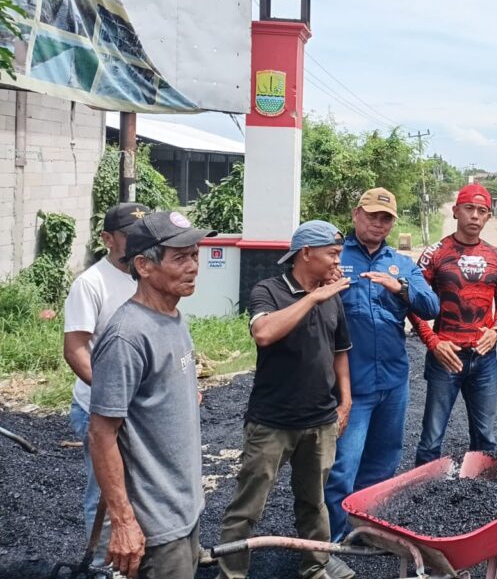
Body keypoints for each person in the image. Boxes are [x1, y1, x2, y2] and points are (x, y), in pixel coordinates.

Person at [217, 221, 354, 579]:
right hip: (272, 422)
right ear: (305, 253)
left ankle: (315, 567)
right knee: (248, 506)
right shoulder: (270, 290)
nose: (337, 261)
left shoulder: (332, 295)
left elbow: (340, 352)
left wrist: (345, 401)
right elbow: (263, 333)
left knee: (313, 503)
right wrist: (312, 298)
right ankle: (231, 573)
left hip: (320, 421)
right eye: (332, 253)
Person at [88, 211, 214, 579]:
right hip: (156, 523)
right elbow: (101, 434)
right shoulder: (127, 336)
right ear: (143, 265)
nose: (193, 267)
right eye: (180, 258)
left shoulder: (174, 317)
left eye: (195, 254)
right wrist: (124, 522)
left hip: (183, 509)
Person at [324, 188, 439, 541]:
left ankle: (370, 529)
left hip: (392, 381)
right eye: (372, 215)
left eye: (386, 218)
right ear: (357, 214)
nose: (378, 222)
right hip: (350, 384)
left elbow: (431, 307)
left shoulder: (402, 264)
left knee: (384, 459)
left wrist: (401, 287)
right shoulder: (335, 257)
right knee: (343, 465)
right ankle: (336, 539)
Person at [63, 202, 150, 563]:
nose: (136, 243)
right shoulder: (91, 283)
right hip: (101, 408)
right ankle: (101, 566)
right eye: (129, 236)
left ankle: (138, 561)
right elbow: (76, 349)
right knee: (105, 495)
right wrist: (111, 396)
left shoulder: (147, 274)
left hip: (143, 411)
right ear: (108, 239)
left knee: (142, 491)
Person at [410, 183, 497, 466]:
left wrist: (496, 331)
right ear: (456, 211)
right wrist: (434, 342)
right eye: (469, 209)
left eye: (482, 211)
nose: (475, 216)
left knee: (486, 437)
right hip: (446, 356)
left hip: (484, 357)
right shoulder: (435, 253)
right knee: (432, 437)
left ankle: (482, 497)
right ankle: (422, 497)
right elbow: (413, 303)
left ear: (488, 216)